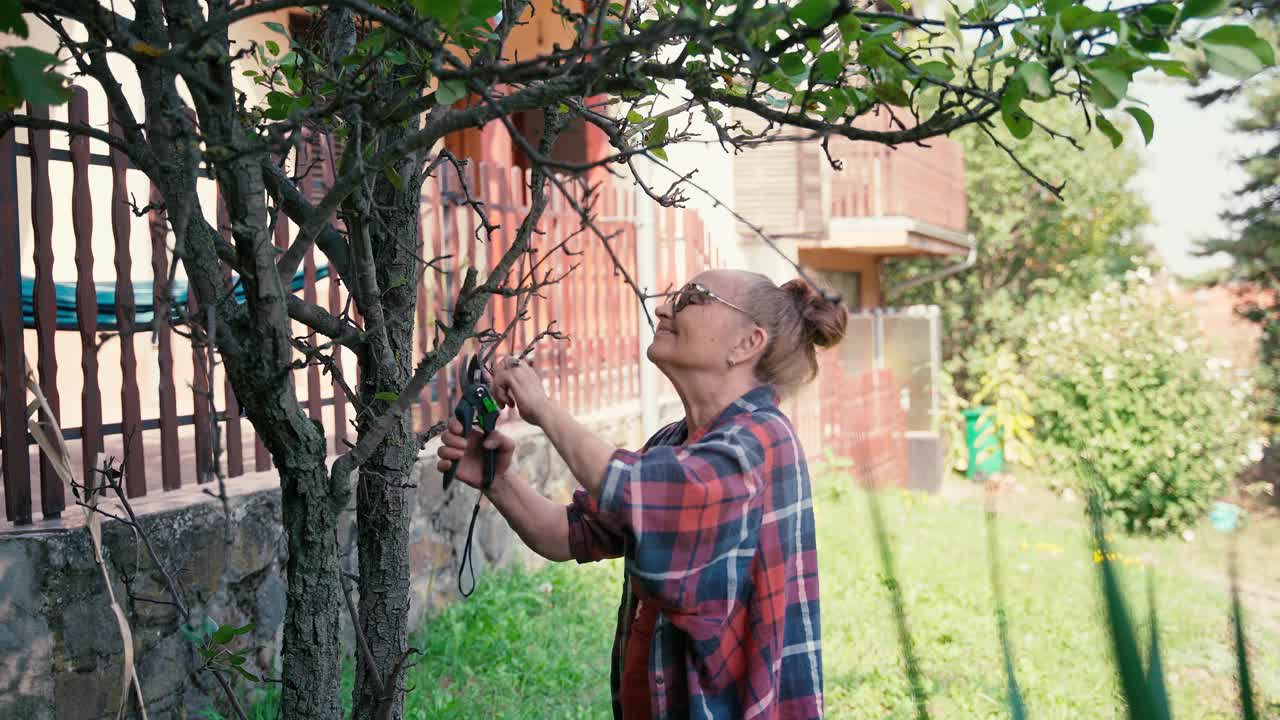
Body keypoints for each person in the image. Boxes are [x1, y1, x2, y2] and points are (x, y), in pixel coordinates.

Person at [436, 269, 847, 719]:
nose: (664, 307)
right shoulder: (677, 442)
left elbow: (633, 490)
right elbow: (563, 535)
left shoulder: (758, 443)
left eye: (695, 297)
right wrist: (495, 478)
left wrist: (544, 408)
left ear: (747, 343)